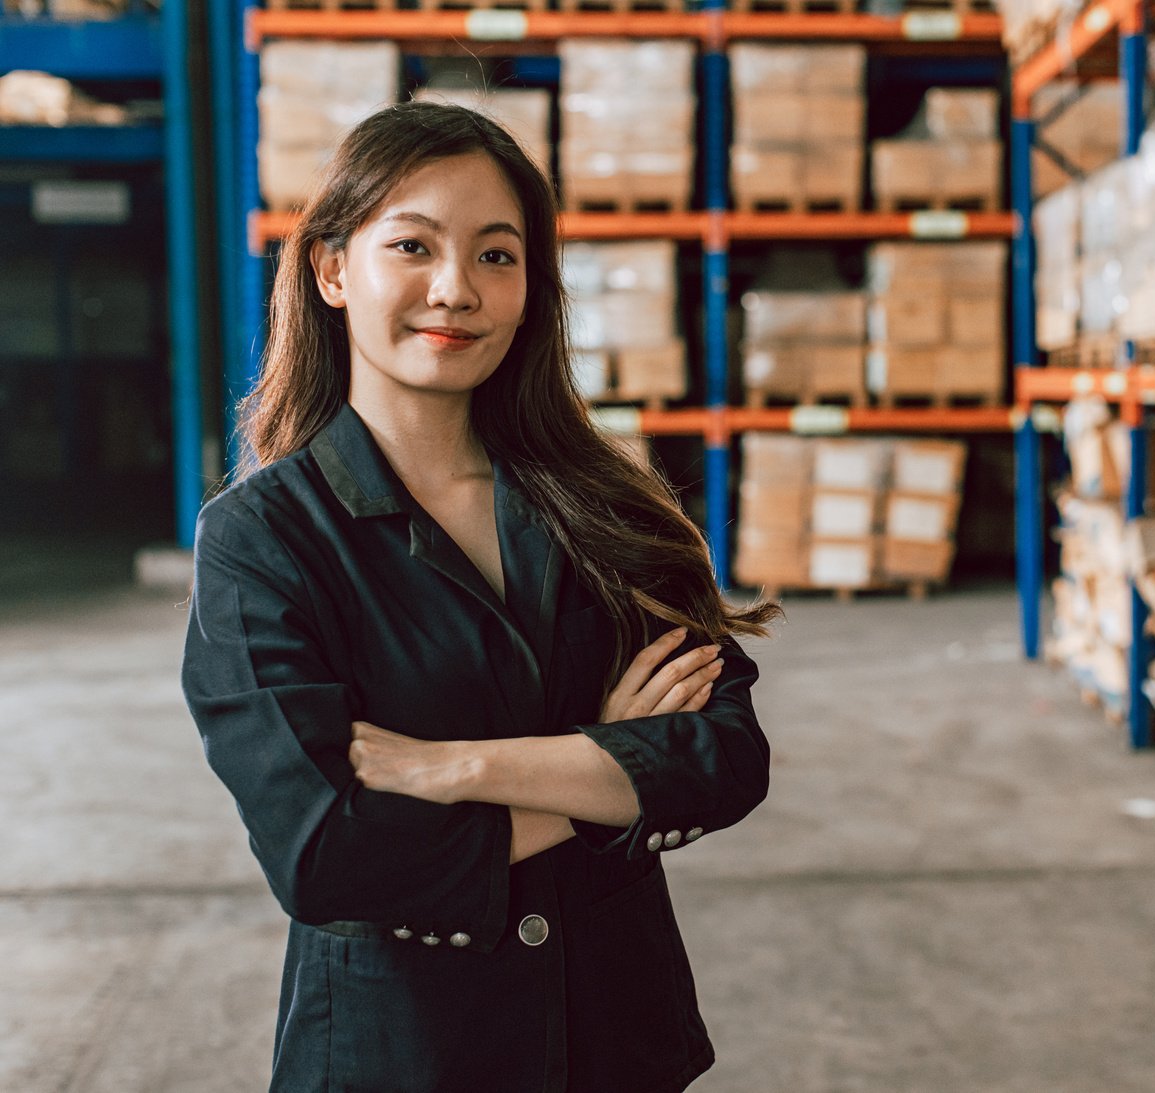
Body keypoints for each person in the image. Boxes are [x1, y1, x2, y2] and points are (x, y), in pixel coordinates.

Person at [180, 101, 778, 1093]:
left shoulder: (603, 502)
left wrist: (452, 767)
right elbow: (329, 852)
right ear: (332, 269)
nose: (455, 290)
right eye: (412, 245)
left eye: (497, 256)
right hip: (404, 1054)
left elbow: (723, 754)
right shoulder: (265, 539)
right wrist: (602, 776)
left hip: (613, 1040)